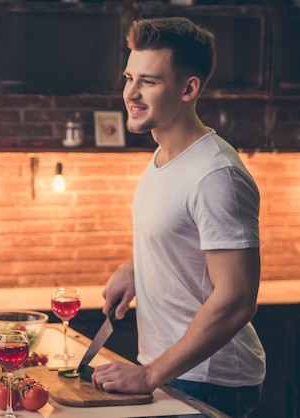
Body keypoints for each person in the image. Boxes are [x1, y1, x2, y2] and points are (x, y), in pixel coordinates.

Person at [91, 17, 265, 417]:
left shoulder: (217, 174)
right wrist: (139, 265)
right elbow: (187, 239)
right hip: (175, 368)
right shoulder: (163, 158)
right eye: (128, 78)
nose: (131, 94)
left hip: (210, 380)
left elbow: (237, 299)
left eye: (148, 82)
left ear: (189, 88)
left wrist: (150, 375)